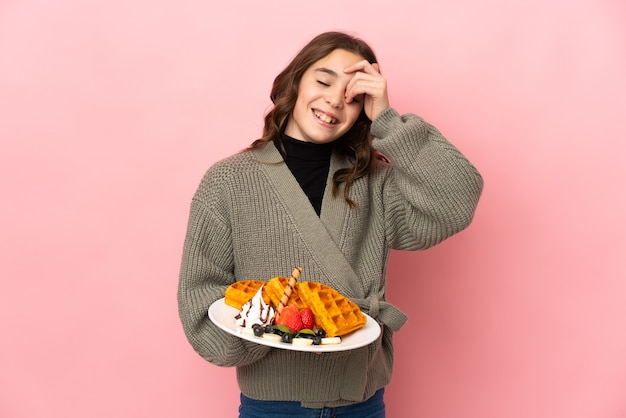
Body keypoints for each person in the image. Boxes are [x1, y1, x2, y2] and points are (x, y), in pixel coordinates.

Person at [178, 31, 483, 418]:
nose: (335, 100)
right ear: (295, 81)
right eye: (323, 81)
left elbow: (456, 202)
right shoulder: (227, 182)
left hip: (361, 402)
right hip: (272, 405)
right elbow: (199, 298)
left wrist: (389, 120)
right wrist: (271, 331)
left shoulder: (376, 182)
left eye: (354, 97)